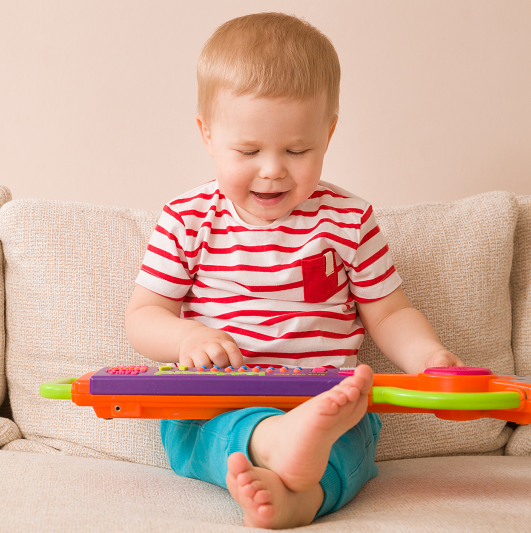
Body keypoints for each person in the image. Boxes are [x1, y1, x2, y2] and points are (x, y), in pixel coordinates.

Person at [125, 12, 464, 529]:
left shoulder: (349, 220)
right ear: (208, 135)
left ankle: (293, 501)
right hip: (215, 400)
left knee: (353, 439)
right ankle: (276, 443)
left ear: (327, 135)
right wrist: (187, 337)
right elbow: (145, 315)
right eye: (248, 150)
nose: (272, 169)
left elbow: (390, 312)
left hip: (327, 400)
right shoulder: (187, 220)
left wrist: (430, 357)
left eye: (297, 150)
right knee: (210, 433)